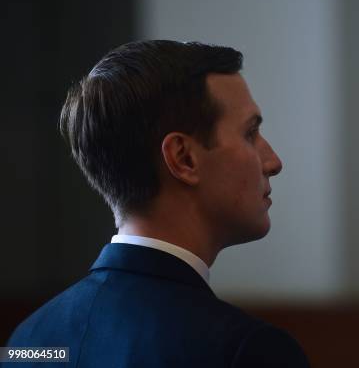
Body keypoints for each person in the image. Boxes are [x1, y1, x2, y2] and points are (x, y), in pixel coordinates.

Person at [6, 40, 310, 367]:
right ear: (183, 158)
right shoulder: (246, 351)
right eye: (250, 134)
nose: (273, 162)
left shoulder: (27, 339)